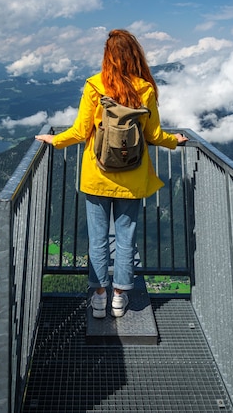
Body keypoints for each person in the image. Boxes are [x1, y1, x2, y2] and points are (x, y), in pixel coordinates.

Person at [36, 29, 187, 318]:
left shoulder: (94, 85)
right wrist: (175, 141)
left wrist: (55, 141)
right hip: (132, 178)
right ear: (134, 55)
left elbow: (81, 131)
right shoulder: (145, 89)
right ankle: (119, 297)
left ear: (108, 57)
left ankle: (99, 298)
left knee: (98, 238)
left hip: (97, 176)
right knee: (126, 238)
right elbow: (154, 134)